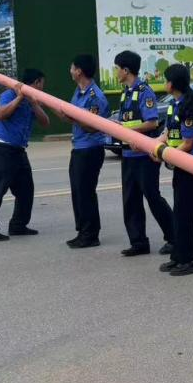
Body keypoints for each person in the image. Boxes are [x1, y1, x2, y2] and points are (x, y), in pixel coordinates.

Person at [113, 51, 174, 257]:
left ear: (126, 70)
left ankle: (174, 237)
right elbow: (128, 122)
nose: (116, 72)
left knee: (153, 197)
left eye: (117, 68)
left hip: (144, 156)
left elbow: (152, 122)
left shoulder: (144, 91)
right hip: (128, 155)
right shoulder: (125, 93)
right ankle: (138, 242)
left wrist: (126, 131)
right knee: (130, 200)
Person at [0, 67, 50, 243]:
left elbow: (45, 122)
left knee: (26, 190)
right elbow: (0, 114)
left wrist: (34, 103)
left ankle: (18, 225)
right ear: (36, 82)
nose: (43, 87)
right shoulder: (9, 94)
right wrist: (19, 98)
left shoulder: (33, 100)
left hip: (19, 151)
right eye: (42, 84)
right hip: (2, 149)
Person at [153, 63, 193, 276]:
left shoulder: (188, 107)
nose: (164, 83)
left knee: (184, 215)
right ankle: (178, 257)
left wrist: (165, 156)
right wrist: (154, 146)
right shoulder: (174, 104)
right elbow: (167, 132)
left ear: (173, 84)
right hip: (182, 166)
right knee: (179, 215)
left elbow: (188, 143)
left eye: (166, 79)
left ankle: (190, 260)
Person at [56, 53, 108, 248]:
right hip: (78, 148)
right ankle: (82, 231)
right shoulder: (79, 92)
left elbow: (92, 126)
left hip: (90, 149)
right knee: (78, 191)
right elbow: (71, 118)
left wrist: (73, 116)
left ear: (79, 71)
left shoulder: (95, 97)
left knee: (85, 192)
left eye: (72, 68)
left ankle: (91, 234)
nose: (70, 71)